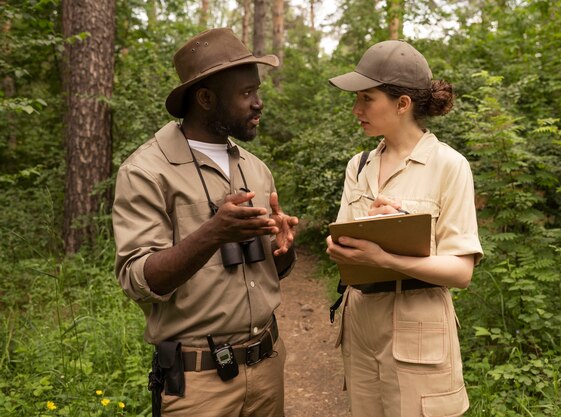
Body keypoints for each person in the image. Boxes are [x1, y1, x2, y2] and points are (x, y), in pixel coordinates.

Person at [112, 28, 298, 417]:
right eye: (247, 93)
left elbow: (267, 272)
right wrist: (214, 232)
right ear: (206, 99)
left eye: (257, 92)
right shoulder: (146, 171)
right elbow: (138, 279)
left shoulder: (256, 169)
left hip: (268, 370)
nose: (259, 103)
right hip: (198, 386)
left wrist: (283, 249)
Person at [325, 40, 483, 417]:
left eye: (367, 98)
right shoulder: (359, 165)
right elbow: (341, 242)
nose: (356, 109)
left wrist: (384, 255)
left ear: (402, 104)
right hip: (360, 320)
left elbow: (461, 272)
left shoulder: (449, 165)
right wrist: (345, 243)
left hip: (418, 324)